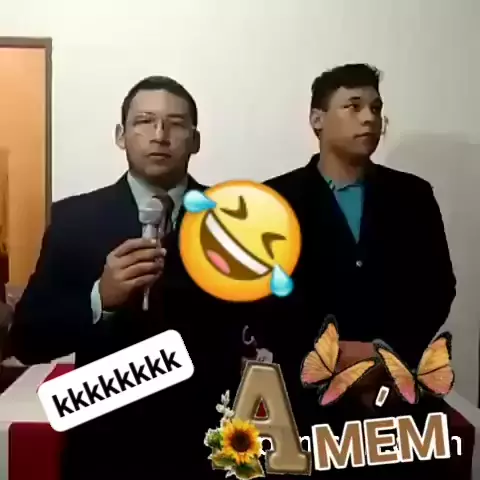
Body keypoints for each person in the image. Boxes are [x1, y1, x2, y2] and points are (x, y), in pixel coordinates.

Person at [9, 76, 244, 479]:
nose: (160, 135)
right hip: (104, 449)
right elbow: (28, 339)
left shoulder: (231, 220)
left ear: (195, 140)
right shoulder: (72, 219)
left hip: (208, 448)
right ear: (121, 136)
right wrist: (101, 299)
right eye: (144, 121)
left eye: (175, 124)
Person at [259, 64, 457, 477]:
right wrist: (329, 354)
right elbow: (265, 298)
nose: (369, 118)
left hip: (397, 393)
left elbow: (438, 287)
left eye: (376, 108)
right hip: (304, 400)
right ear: (317, 119)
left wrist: (383, 350)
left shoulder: (413, 195)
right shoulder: (274, 199)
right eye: (353, 106)